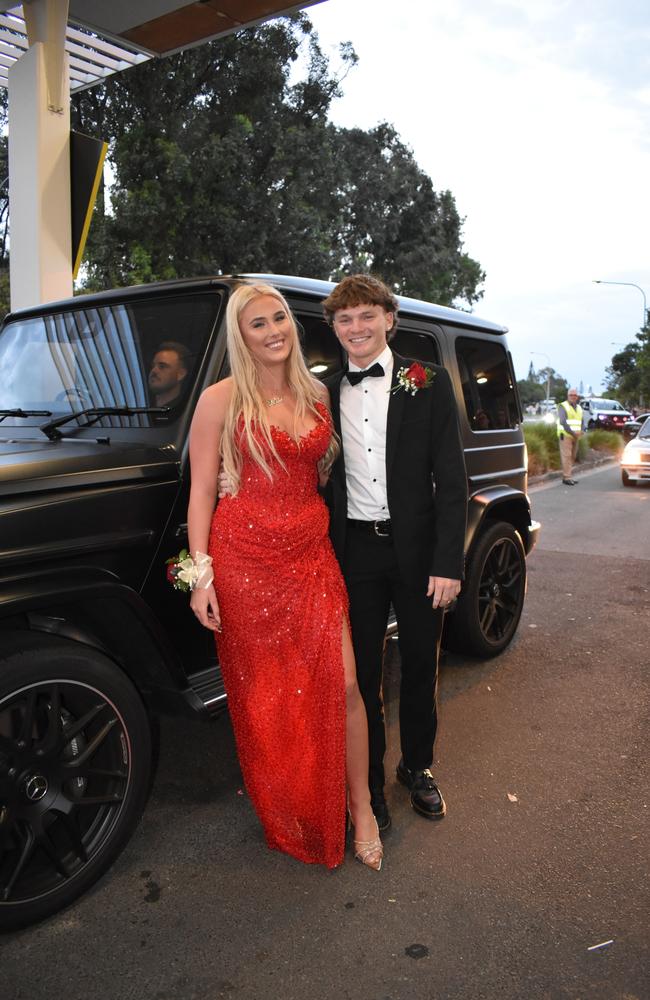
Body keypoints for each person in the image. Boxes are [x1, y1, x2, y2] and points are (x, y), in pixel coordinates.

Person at [186, 282, 383, 871]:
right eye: (257, 324)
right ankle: (294, 803)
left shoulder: (319, 393)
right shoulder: (219, 400)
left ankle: (362, 807)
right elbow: (199, 492)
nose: (273, 331)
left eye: (279, 319)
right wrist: (199, 577)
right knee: (270, 698)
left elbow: (328, 470)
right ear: (240, 336)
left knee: (344, 684)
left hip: (311, 556)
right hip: (244, 562)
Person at [322, 274, 468, 833]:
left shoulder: (426, 381)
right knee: (359, 675)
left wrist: (447, 564)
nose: (356, 328)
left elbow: (451, 481)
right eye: (344, 319)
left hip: (419, 551)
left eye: (366, 316)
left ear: (389, 318)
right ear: (334, 329)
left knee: (419, 666)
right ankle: (370, 786)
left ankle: (417, 766)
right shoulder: (325, 392)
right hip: (354, 550)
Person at [148, 342, 189, 408]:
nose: (153, 371)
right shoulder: (141, 410)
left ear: (181, 374)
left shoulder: (187, 412)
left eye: (162, 366)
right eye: (153, 366)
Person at [556, 387, 583, 485]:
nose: (573, 397)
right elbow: (563, 421)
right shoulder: (563, 406)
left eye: (575, 395)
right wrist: (573, 432)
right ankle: (567, 477)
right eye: (571, 395)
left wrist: (582, 430)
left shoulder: (579, 408)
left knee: (572, 456)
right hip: (566, 435)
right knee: (566, 456)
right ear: (568, 396)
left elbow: (581, 420)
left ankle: (568, 475)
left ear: (577, 397)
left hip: (576, 435)